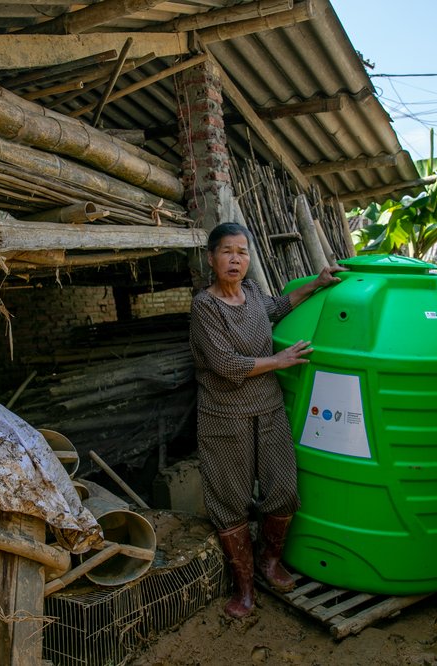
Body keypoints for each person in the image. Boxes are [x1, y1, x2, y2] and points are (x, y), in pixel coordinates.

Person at [189, 222, 345, 618]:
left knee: (283, 489)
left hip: (269, 410)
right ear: (212, 258)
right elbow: (225, 364)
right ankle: (243, 587)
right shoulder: (204, 307)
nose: (235, 259)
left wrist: (316, 284)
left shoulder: (254, 294)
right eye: (227, 251)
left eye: (242, 252)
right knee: (230, 500)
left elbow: (277, 307)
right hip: (224, 418)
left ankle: (268, 561)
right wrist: (278, 361)